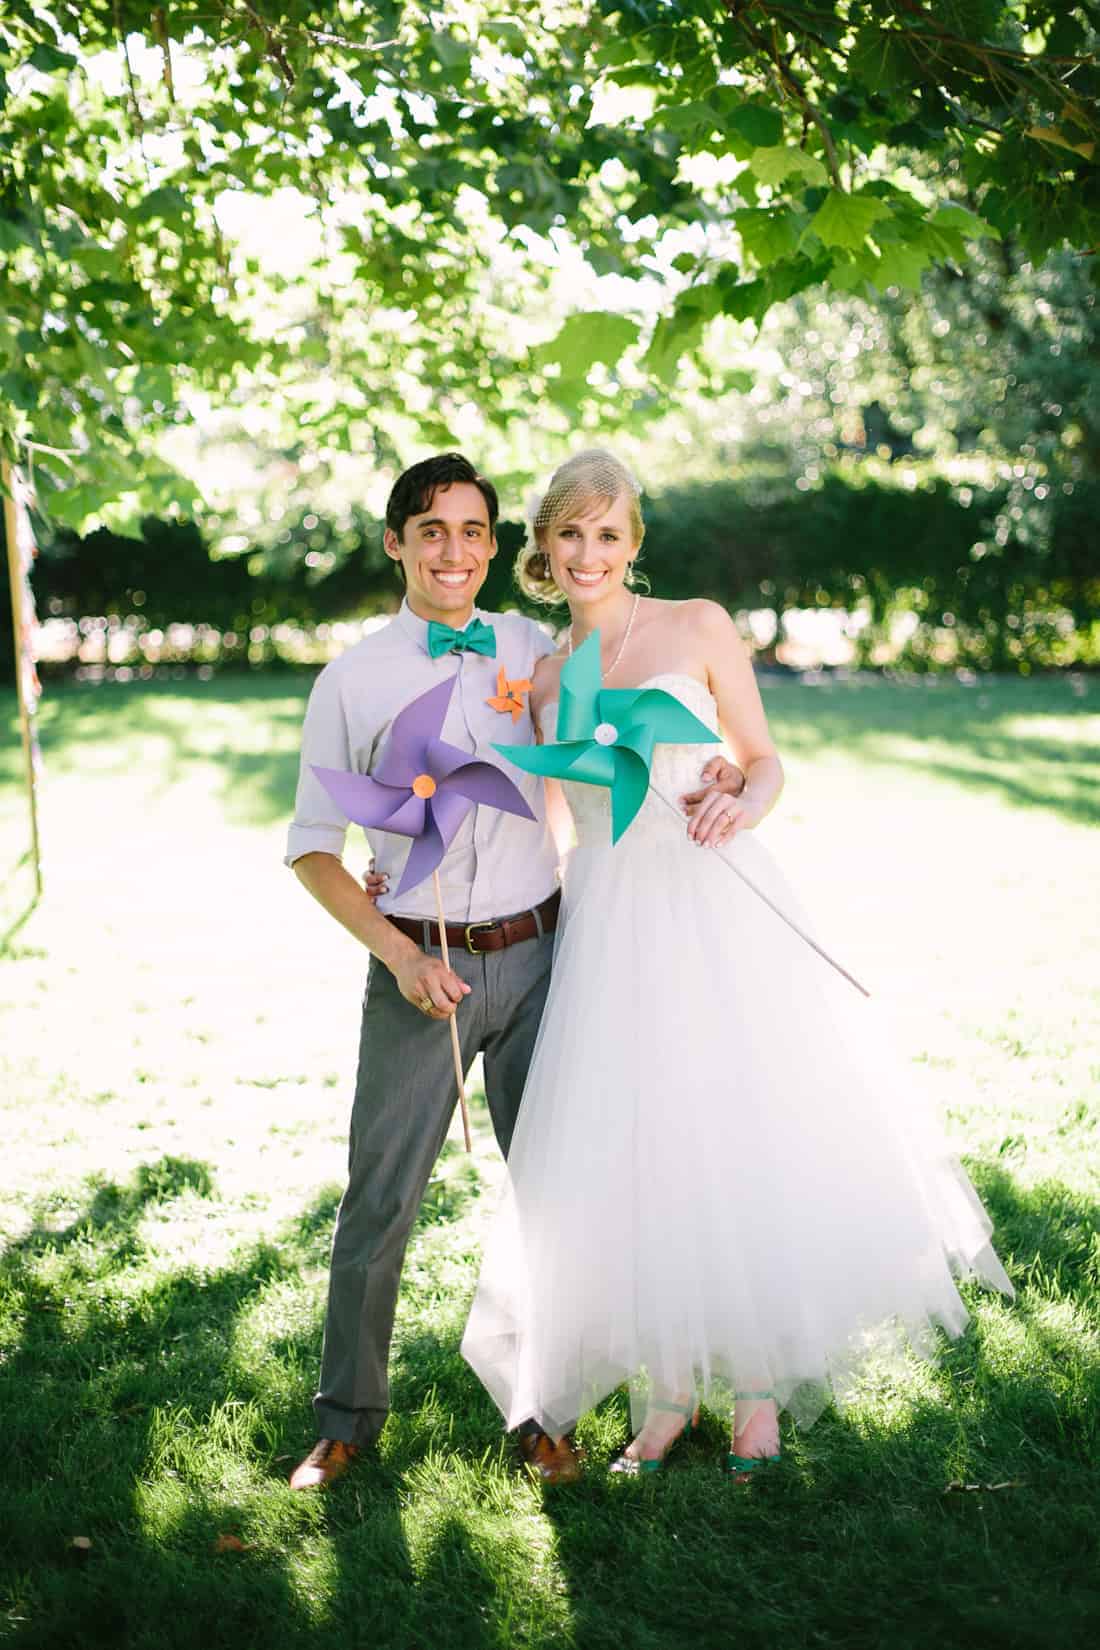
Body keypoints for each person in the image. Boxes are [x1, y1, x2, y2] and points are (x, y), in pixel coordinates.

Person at [460, 449, 1014, 1478]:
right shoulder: (538, 683)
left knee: (730, 1127)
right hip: (609, 921)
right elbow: (546, 830)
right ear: (543, 545)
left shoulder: (697, 626)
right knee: (638, 1148)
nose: (589, 554)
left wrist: (732, 797)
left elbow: (762, 760)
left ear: (634, 542)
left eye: (608, 534)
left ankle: (755, 1390)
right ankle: (664, 1394)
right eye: (569, 534)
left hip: (711, 902)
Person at [283, 452, 745, 1488]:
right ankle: (347, 1419)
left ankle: (544, 1409)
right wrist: (401, 954)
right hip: (422, 968)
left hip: (543, 954)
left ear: (498, 546)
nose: (454, 551)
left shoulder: (540, 648)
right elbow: (313, 845)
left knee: (559, 1191)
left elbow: (621, 721)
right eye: (431, 530)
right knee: (379, 1202)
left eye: (473, 531)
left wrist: (712, 765)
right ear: (397, 542)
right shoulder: (352, 679)